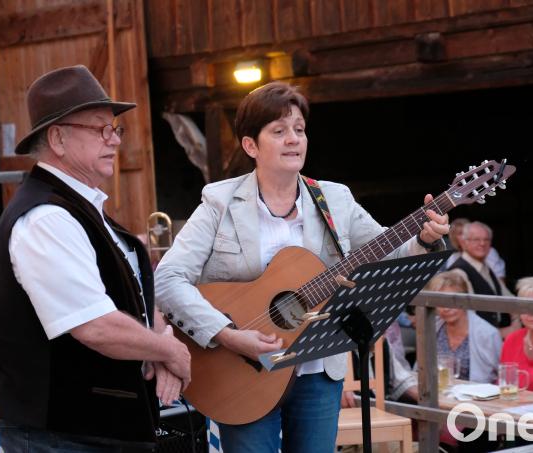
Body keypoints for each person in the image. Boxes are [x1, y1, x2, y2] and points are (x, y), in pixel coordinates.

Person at [153, 81, 450, 453]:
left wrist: (423, 238)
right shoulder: (220, 202)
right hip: (243, 369)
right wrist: (227, 334)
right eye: (279, 131)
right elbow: (167, 278)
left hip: (318, 369)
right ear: (251, 146)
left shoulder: (334, 199)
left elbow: (387, 252)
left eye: (299, 130)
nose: (293, 139)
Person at [0, 65, 191, 452]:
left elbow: (133, 296)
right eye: (101, 129)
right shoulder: (46, 218)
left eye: (116, 129)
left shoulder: (79, 208)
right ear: (58, 138)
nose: (114, 140)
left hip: (94, 430)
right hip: (64, 435)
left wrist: (159, 339)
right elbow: (95, 325)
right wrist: (170, 350)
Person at [426, 270, 502, 383]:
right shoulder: (431, 327)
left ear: (465, 300)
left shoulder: (487, 333)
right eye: (440, 302)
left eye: (451, 301)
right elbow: (420, 369)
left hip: (476, 397)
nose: (446, 308)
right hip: (439, 394)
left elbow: (501, 373)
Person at [447, 221, 518, 337]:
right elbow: (464, 322)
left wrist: (517, 321)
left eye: (486, 240)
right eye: (476, 239)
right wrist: (502, 333)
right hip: (477, 344)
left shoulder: (486, 268)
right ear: (464, 243)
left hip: (494, 337)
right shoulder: (458, 272)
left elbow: (509, 299)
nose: (482, 243)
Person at [444, 217, 506, 283]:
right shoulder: (453, 257)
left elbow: (500, 282)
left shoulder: (486, 251)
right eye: (460, 233)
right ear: (454, 237)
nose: (464, 236)